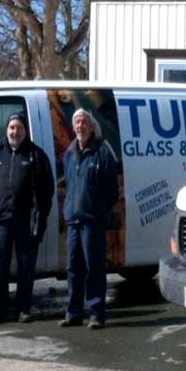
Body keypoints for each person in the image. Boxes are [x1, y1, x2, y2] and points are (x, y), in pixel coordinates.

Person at [0, 112, 53, 324]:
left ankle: (23, 309)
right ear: (6, 130)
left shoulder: (36, 155)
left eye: (18, 127)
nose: (14, 131)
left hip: (26, 222)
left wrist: (41, 214)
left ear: (25, 131)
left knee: (26, 268)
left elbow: (47, 189)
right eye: (11, 127)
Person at [60, 108, 119, 329]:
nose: (80, 126)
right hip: (74, 222)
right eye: (77, 122)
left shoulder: (102, 152)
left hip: (93, 222)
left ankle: (96, 313)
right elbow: (69, 182)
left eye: (84, 122)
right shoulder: (69, 153)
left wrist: (98, 212)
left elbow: (112, 192)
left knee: (94, 268)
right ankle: (73, 312)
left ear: (91, 125)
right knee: (73, 269)